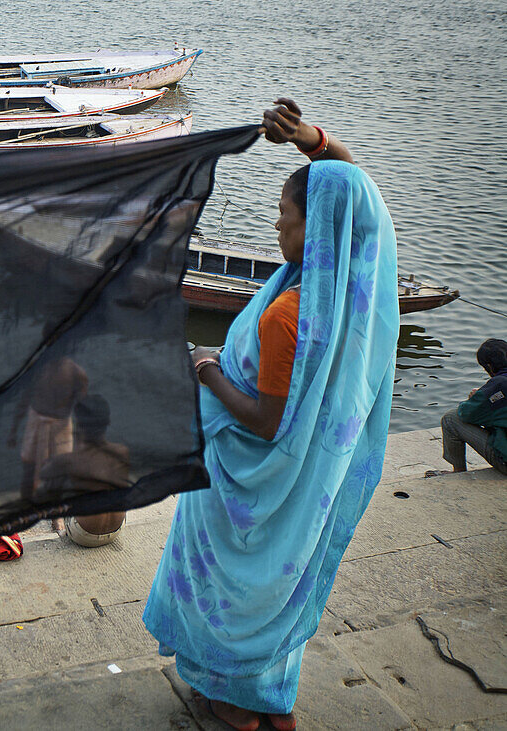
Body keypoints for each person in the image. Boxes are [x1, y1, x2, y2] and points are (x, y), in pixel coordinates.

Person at [143, 98, 396, 731]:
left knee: (233, 593)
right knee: (275, 590)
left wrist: (207, 369)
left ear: (314, 226)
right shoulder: (348, 295)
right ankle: (268, 703)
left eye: (284, 216)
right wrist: (313, 141)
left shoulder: (290, 315)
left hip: (249, 481)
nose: (277, 228)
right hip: (305, 480)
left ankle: (236, 708)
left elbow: (263, 421)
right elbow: (353, 193)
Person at [8, 325, 89, 530]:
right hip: (37, 420)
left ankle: (56, 513)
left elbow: (82, 405)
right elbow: (23, 400)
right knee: (28, 466)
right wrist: (13, 430)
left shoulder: (76, 373)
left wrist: (82, 436)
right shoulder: (36, 367)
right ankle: (27, 510)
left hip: (61, 425)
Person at [39, 395, 130, 547]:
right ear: (108, 422)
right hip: (116, 528)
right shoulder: (121, 451)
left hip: (84, 534)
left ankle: (59, 524)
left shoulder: (72, 457)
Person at [437, 339, 507, 476]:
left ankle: (458, 471)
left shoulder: (500, 384)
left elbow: (466, 413)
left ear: (489, 367)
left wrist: (475, 398)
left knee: (451, 419)